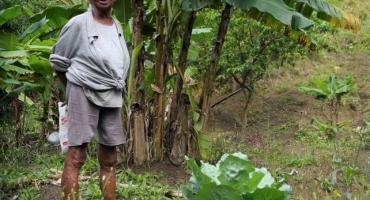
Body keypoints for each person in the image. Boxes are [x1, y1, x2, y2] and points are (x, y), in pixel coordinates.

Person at [49, 0, 130, 199]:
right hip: (83, 90)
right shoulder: (78, 23)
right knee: (77, 155)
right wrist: (74, 90)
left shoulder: (117, 25)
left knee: (110, 156)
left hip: (112, 94)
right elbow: (59, 62)